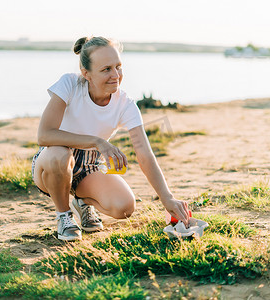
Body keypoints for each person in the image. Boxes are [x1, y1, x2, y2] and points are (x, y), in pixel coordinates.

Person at [32, 36, 191, 241]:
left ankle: (83, 202)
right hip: (52, 162)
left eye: (118, 67)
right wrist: (98, 141)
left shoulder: (125, 104)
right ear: (86, 74)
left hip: (89, 167)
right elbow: (44, 135)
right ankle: (64, 216)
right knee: (59, 155)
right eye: (106, 69)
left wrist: (167, 197)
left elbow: (144, 153)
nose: (115, 75)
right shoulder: (69, 84)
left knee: (124, 207)